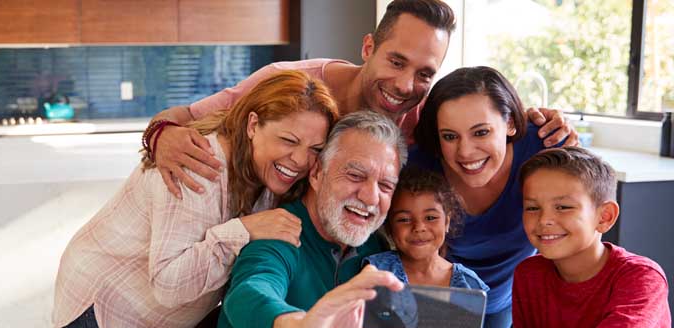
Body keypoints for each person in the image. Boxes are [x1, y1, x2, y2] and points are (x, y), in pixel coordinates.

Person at [50, 70, 340, 328]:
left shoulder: (267, 177)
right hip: (108, 309)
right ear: (253, 125)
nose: (298, 160)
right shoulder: (200, 166)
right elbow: (170, 285)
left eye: (314, 150)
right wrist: (243, 230)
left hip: (160, 327)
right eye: (288, 140)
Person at [145, 0, 576, 198]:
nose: (406, 85)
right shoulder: (287, 81)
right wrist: (162, 134)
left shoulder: (422, 120)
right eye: (396, 61)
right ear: (368, 48)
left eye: (425, 73)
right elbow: (184, 116)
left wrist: (538, 118)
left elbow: (480, 113)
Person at [197, 111, 407, 328]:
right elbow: (250, 292)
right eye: (355, 175)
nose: (370, 196)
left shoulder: (376, 251)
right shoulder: (279, 234)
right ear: (317, 173)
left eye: (386, 185)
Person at [408, 65, 564, 328]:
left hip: (504, 298)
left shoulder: (544, 150)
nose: (465, 152)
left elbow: (585, 220)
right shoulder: (421, 166)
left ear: (511, 124)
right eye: (450, 136)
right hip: (439, 298)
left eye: (481, 132)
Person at [320, 166, 489, 328]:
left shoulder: (468, 285)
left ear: (449, 219)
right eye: (404, 219)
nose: (419, 227)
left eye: (431, 217)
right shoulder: (377, 269)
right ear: (389, 229)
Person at [506, 146, 672, 328]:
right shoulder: (529, 274)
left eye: (563, 207)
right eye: (532, 208)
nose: (544, 220)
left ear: (604, 217)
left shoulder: (642, 278)